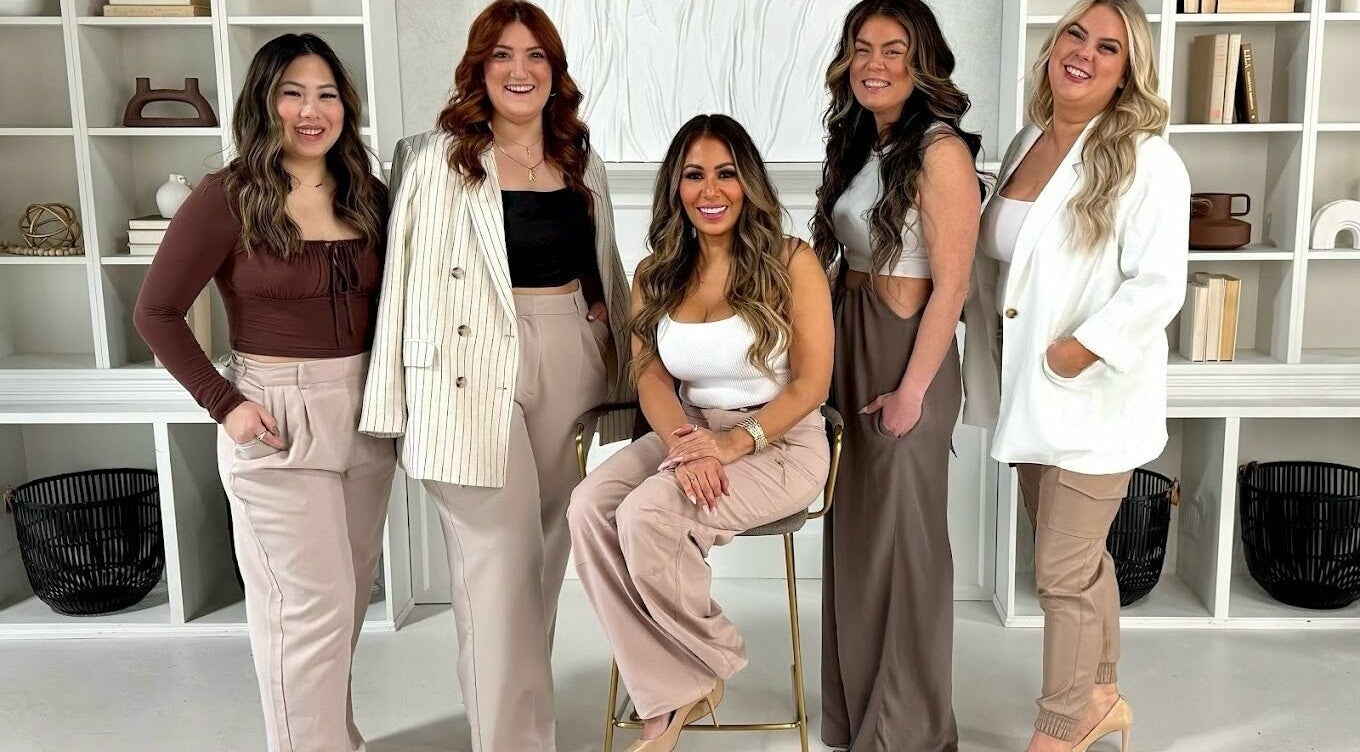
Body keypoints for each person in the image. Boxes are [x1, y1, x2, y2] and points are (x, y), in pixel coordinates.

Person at [357, 1, 633, 750]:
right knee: (498, 565)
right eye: (503, 55)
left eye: (535, 55)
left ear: (554, 71)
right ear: (478, 69)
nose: (520, 70)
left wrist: (604, 326)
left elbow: (601, 259)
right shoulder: (436, 159)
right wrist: (390, 401)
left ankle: (514, 723)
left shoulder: (579, 157)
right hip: (468, 365)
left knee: (541, 558)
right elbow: (402, 281)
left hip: (568, 354)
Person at [134, 33, 393, 752]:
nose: (312, 111)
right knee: (306, 611)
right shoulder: (226, 196)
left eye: (326, 95)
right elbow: (155, 311)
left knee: (343, 604)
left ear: (345, 106)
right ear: (263, 101)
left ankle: (335, 739)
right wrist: (226, 404)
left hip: (366, 417)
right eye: (292, 93)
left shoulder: (368, 194)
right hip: (275, 414)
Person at [961, 2, 1189, 751]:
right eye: (1075, 34)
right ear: (1054, 44)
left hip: (1089, 398)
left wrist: (1080, 350)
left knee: (1060, 573)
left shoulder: (1148, 160)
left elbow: (1160, 285)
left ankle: (1059, 728)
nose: (1084, 53)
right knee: (1079, 562)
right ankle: (1103, 693)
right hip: (1028, 394)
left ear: (1127, 73)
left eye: (1108, 47)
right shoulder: (1029, 140)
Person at [567, 113, 834, 752]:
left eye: (726, 174)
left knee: (646, 515)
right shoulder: (656, 273)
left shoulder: (791, 261)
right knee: (588, 508)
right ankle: (678, 679)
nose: (710, 191)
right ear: (675, 186)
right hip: (689, 432)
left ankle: (700, 665)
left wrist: (731, 445)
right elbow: (650, 376)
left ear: (749, 183)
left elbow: (811, 385)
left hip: (779, 442)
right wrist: (689, 446)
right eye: (694, 175)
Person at [811, 1, 984, 750]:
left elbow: (953, 285)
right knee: (858, 538)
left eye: (894, 50)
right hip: (853, 342)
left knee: (904, 542)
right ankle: (861, 718)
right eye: (863, 47)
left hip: (906, 352)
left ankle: (907, 732)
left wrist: (912, 391)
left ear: (922, 64)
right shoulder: (864, 141)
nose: (874, 63)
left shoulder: (941, 151)